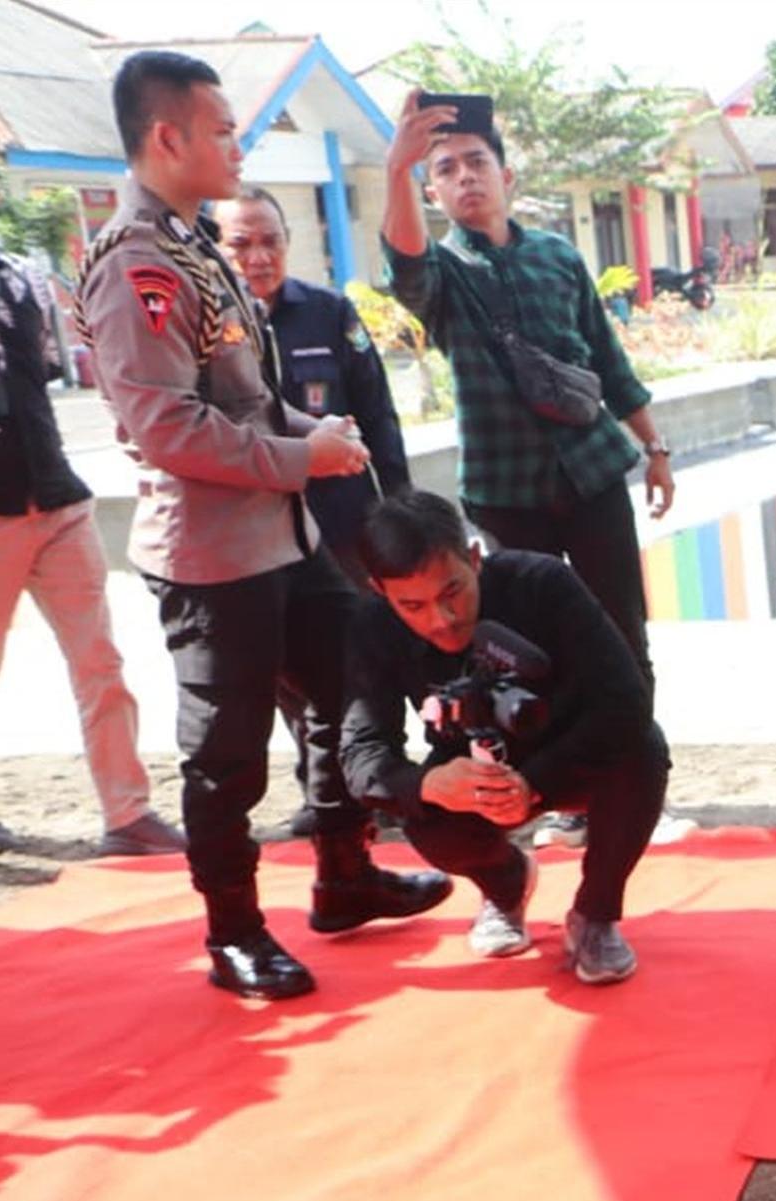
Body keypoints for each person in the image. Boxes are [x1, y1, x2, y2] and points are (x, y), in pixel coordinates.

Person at [79, 51, 447, 999]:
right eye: (223, 128)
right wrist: (300, 457)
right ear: (168, 138)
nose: (239, 144)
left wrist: (312, 431)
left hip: (284, 538)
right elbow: (165, 425)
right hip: (212, 555)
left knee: (349, 691)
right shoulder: (141, 264)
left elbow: (246, 397)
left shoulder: (197, 245)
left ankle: (345, 874)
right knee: (228, 753)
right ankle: (234, 932)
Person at [377, 91, 677, 848]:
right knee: (527, 649)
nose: (465, 176)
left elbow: (608, 362)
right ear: (435, 190)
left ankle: (635, 775)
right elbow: (407, 267)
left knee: (622, 632)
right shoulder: (444, 274)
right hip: (507, 491)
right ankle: (559, 791)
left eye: (477, 161)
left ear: (505, 174)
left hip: (594, 474)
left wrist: (655, 447)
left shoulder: (558, 257)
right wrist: (397, 169)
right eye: (446, 169)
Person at [344, 491, 670, 986]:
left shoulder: (541, 583)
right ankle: (505, 883)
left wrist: (536, 782)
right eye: (412, 605)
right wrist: (431, 784)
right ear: (380, 591)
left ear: (474, 558)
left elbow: (625, 700)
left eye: (452, 591)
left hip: (570, 755)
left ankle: (596, 913)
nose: (441, 619)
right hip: (472, 772)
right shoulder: (373, 626)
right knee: (422, 815)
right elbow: (361, 754)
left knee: (644, 751)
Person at [218, 185, 413, 836]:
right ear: (214, 249)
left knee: (357, 662)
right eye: (239, 242)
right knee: (285, 673)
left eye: (270, 240)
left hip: (340, 529)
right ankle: (323, 794)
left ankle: (379, 785)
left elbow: (376, 417)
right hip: (255, 534)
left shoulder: (329, 315)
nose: (257, 256)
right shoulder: (203, 329)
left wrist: (401, 509)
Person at [0, 248, 183, 858]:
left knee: (100, 664)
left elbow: (47, 379)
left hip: (57, 500)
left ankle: (127, 813)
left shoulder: (22, 276)